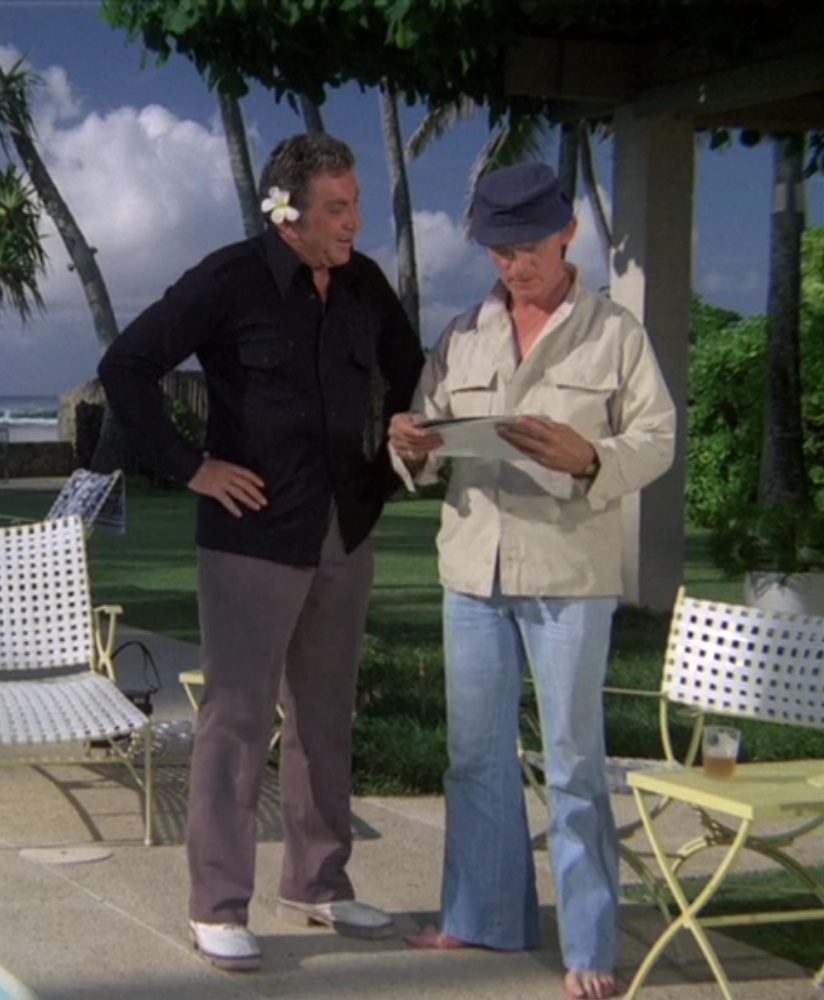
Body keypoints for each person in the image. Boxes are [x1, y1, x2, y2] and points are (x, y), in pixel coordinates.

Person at [98, 132, 424, 972]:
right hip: (252, 536)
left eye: (355, 204)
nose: (354, 221)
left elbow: (409, 366)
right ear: (288, 212)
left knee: (325, 716)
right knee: (237, 721)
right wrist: (190, 466)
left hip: (344, 528)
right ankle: (218, 904)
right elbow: (127, 365)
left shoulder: (363, 285)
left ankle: (319, 884)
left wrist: (398, 432)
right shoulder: (228, 279)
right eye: (337, 208)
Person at [387, 161, 676, 1000]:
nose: (514, 266)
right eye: (500, 251)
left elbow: (656, 439)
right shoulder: (463, 332)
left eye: (529, 249)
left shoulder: (614, 333)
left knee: (575, 759)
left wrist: (592, 456)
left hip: (567, 574)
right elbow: (426, 436)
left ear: (568, 234)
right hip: (472, 567)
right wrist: (407, 445)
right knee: (474, 755)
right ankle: (481, 917)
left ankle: (590, 944)